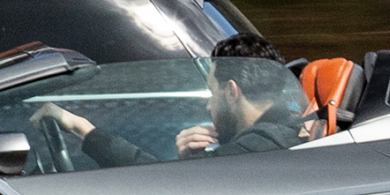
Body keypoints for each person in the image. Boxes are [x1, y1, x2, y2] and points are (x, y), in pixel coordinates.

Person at [34, 34, 310, 167]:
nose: (208, 105)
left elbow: (153, 185)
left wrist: (81, 128)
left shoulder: (258, 149)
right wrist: (191, 164)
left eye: (212, 92)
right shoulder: (281, 133)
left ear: (232, 92)